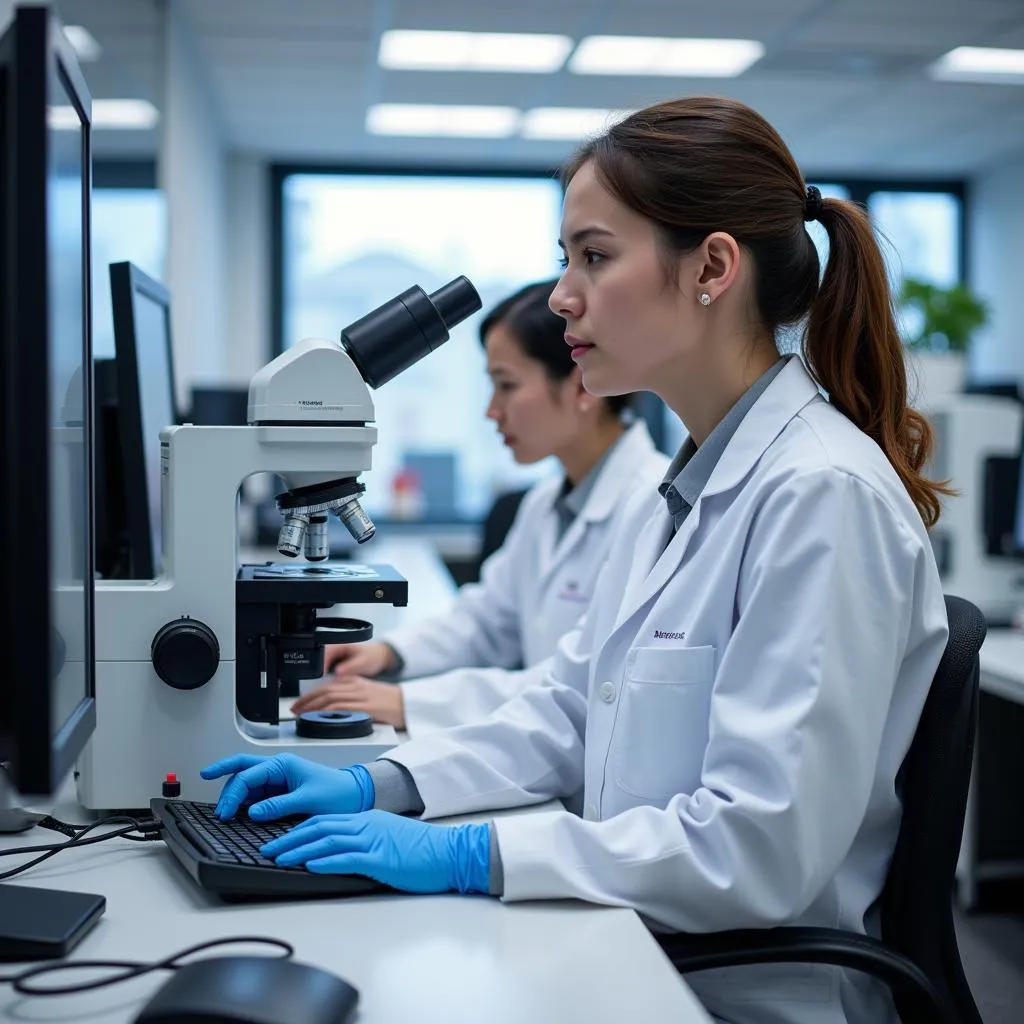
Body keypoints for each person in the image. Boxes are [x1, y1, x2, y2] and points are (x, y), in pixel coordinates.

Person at [204, 96, 950, 1024]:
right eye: (568, 260)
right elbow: (568, 709)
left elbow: (756, 850)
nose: (561, 294)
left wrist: (474, 856)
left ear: (712, 267)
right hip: (641, 945)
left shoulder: (822, 496)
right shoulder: (685, 489)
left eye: (594, 257)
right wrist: (387, 782)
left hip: (740, 993)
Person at [292, 279, 668, 733]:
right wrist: (389, 653)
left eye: (506, 386)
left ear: (582, 385)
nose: (492, 411)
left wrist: (408, 702)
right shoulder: (544, 503)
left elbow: (581, 682)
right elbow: (487, 620)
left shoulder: (654, 507)